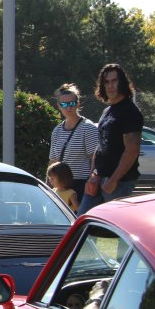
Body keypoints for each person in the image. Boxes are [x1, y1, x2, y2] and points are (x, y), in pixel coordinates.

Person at [79, 64, 143, 214]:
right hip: (98, 179)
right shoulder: (107, 111)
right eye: (106, 82)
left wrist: (113, 180)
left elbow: (132, 150)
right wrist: (93, 175)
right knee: (83, 224)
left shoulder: (130, 111)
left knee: (113, 232)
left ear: (122, 83)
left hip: (119, 183)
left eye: (114, 81)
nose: (110, 86)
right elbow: (101, 145)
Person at [46, 83, 99, 200]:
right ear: (59, 106)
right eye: (64, 104)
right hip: (60, 186)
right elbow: (53, 161)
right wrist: (47, 187)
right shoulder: (57, 130)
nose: (68, 107)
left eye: (72, 103)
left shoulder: (88, 127)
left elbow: (95, 159)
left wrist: (91, 181)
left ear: (78, 104)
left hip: (81, 185)